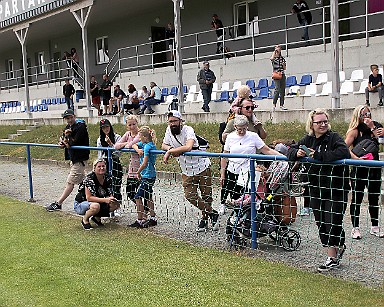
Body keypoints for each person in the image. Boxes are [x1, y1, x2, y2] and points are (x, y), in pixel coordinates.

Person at [287, 109, 350, 272]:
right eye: (319, 122)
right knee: (321, 221)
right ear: (312, 124)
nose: (323, 125)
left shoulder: (334, 137)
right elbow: (290, 150)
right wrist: (297, 152)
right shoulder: (307, 139)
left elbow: (343, 151)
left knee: (333, 220)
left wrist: (319, 155)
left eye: (325, 121)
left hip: (336, 188)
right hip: (316, 188)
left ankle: (332, 256)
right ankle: (336, 250)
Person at [162, 111, 219, 232]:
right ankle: (213, 213)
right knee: (190, 195)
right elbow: (163, 144)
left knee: (206, 195)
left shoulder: (188, 130)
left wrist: (170, 152)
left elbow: (188, 146)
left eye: (174, 121)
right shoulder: (168, 130)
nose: (172, 124)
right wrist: (169, 149)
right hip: (186, 169)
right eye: (170, 121)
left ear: (180, 121)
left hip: (202, 166)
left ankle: (204, 219)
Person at [219, 115, 282, 215]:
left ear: (247, 126)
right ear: (235, 127)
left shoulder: (253, 136)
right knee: (236, 197)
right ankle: (238, 218)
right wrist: (222, 173)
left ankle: (249, 220)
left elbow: (266, 150)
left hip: (248, 170)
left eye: (244, 129)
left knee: (248, 197)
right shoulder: (230, 137)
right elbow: (224, 155)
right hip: (233, 170)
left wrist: (282, 157)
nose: (242, 131)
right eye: (239, 129)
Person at [345, 105, 384, 239]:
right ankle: (355, 227)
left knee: (374, 197)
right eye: (363, 114)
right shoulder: (354, 131)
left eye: (368, 113)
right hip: (359, 168)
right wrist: (356, 159)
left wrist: (373, 127)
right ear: (358, 116)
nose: (366, 116)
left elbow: (381, 142)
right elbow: (344, 148)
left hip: (374, 167)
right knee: (357, 198)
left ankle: (375, 226)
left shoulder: (376, 127)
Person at [46, 109, 90, 211]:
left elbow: (73, 143)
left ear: (74, 116)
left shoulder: (80, 126)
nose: (69, 120)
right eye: (67, 118)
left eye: (71, 117)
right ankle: (91, 199)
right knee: (85, 182)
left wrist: (66, 142)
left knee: (70, 182)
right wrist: (62, 143)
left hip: (80, 159)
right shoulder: (68, 127)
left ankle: (59, 203)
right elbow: (65, 141)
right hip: (74, 159)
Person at [74, 159, 120, 230]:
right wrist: (105, 200)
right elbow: (89, 198)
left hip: (97, 201)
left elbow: (110, 192)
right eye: (99, 166)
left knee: (115, 204)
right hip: (81, 203)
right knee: (96, 206)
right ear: (94, 168)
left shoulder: (108, 178)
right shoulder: (89, 179)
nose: (101, 168)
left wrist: (112, 199)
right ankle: (85, 220)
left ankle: (96, 218)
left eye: (103, 166)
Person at [130, 126, 158, 228]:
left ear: (144, 136)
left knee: (138, 196)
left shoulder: (147, 147)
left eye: (140, 136)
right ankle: (153, 217)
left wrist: (138, 172)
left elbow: (145, 162)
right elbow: (134, 144)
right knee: (148, 196)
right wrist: (137, 149)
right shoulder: (146, 144)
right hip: (149, 175)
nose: (139, 138)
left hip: (148, 176)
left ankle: (140, 219)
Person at [114, 115, 145, 206]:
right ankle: (141, 208)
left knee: (144, 192)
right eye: (130, 125)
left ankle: (147, 211)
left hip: (143, 164)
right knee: (130, 191)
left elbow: (131, 144)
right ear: (127, 126)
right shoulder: (128, 134)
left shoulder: (141, 133)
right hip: (133, 166)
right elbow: (116, 146)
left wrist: (127, 144)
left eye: (134, 124)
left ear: (137, 123)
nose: (132, 127)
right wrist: (127, 143)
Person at [97, 119, 123, 201]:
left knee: (116, 185)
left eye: (107, 127)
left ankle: (117, 204)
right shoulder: (100, 139)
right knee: (105, 185)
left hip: (115, 162)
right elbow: (100, 154)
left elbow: (119, 153)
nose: (106, 129)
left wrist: (111, 144)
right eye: (103, 128)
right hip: (105, 162)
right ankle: (107, 205)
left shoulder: (117, 137)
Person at [270, 45, 287, 111]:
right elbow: (271, 58)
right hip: (276, 75)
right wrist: (274, 52)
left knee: (282, 90)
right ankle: (274, 104)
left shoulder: (282, 58)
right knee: (277, 89)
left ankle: (281, 105)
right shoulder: (274, 58)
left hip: (282, 74)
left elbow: (285, 68)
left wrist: (283, 65)